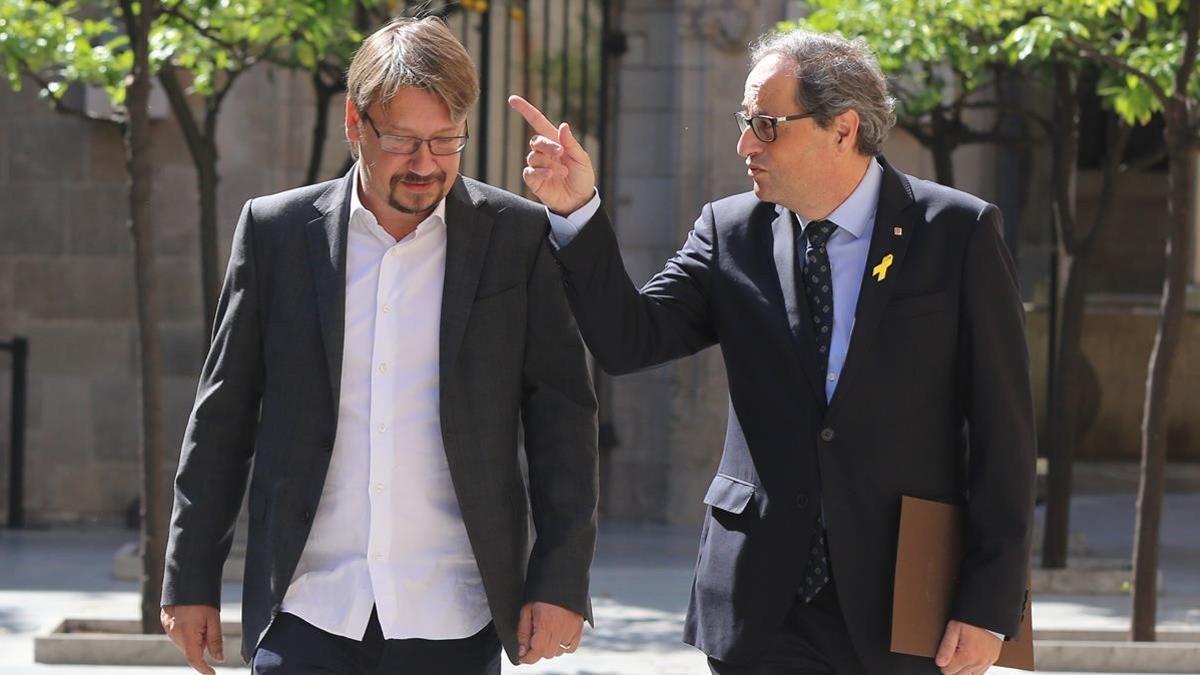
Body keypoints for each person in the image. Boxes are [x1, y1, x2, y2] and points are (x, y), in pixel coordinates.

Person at [510, 27, 1035, 675]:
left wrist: (989, 604)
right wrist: (578, 212)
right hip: (762, 602)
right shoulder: (730, 231)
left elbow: (1003, 436)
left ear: (842, 129)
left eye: (766, 125)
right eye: (743, 121)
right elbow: (629, 339)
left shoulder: (957, 232)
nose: (744, 145)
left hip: (905, 597)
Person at [160, 17, 598, 675]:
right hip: (309, 607)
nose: (426, 163)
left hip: (454, 610)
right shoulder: (277, 234)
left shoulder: (518, 238)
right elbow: (221, 417)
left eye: (445, 140)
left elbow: (562, 419)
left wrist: (560, 579)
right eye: (402, 140)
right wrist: (190, 577)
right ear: (354, 122)